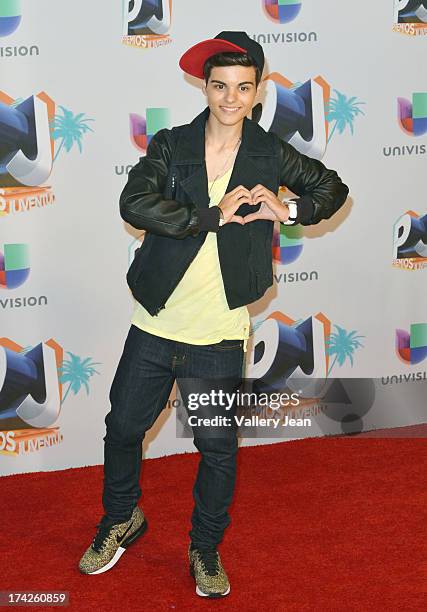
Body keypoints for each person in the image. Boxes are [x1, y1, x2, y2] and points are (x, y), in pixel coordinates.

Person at [78, 31, 349, 597]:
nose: (230, 98)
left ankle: (204, 548)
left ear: (257, 91)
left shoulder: (270, 152)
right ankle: (122, 518)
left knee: (218, 449)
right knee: (123, 429)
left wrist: (290, 206)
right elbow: (134, 202)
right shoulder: (172, 144)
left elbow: (331, 188)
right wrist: (208, 216)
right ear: (205, 86)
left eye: (243, 87)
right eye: (220, 86)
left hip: (220, 332)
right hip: (155, 322)